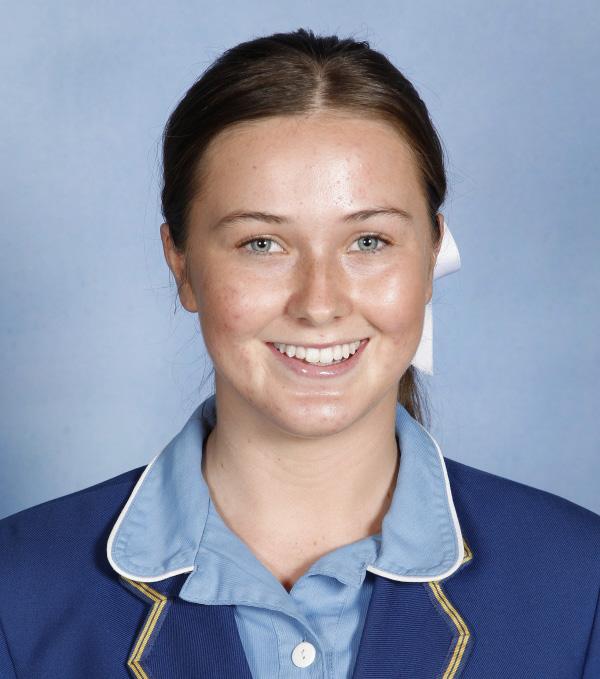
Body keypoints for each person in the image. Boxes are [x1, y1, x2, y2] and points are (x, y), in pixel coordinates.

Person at [0, 27, 598, 679]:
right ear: (182, 265)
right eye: (262, 244)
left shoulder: (582, 587)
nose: (319, 302)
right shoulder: (17, 595)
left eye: (368, 241)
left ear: (432, 256)